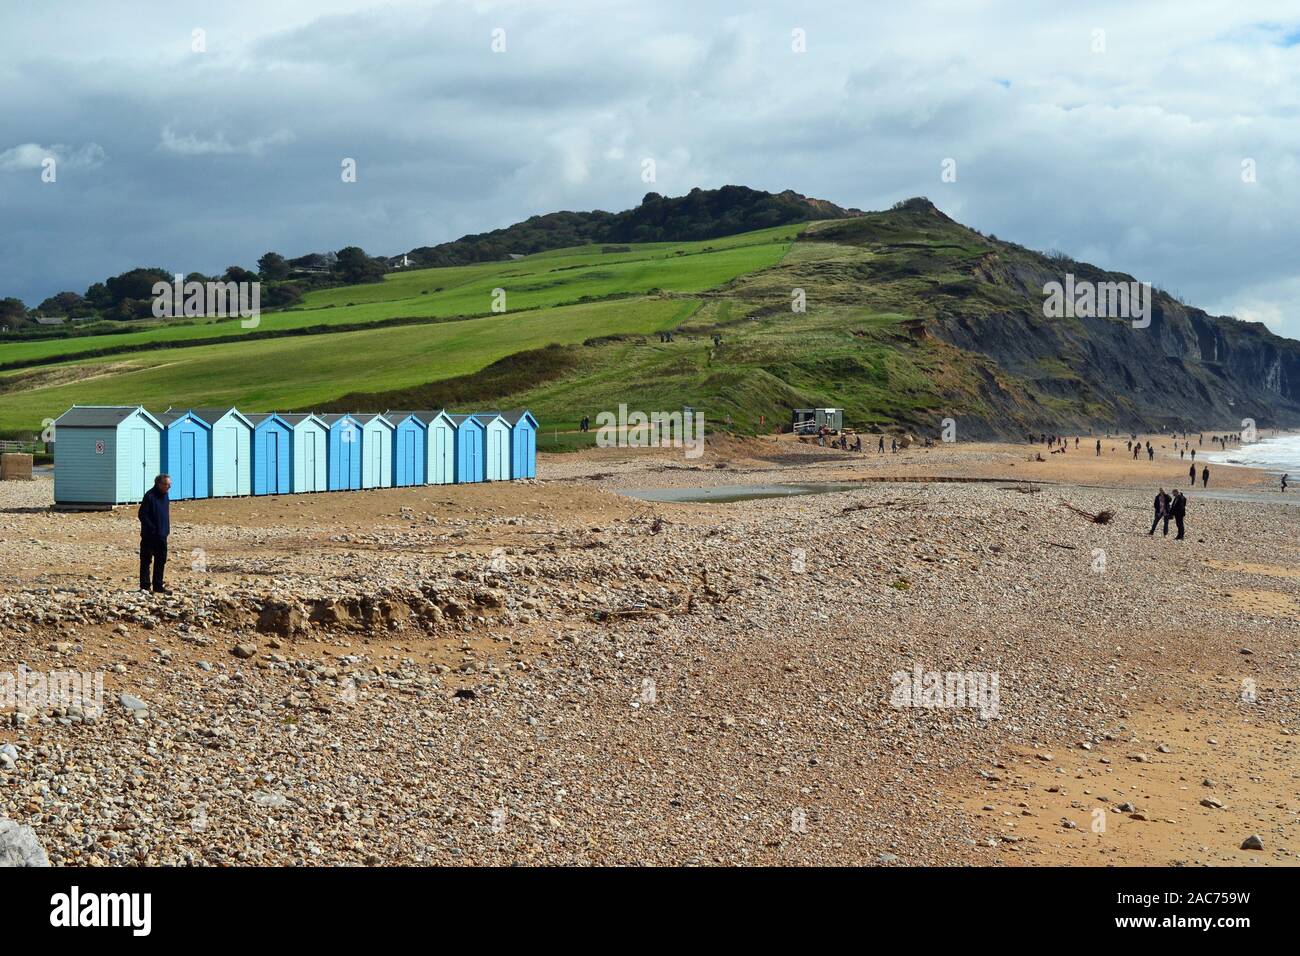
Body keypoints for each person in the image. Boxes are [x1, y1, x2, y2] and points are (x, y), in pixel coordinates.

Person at [138, 474, 172, 594]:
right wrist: (152, 528)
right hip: (149, 535)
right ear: (159, 484)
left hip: (162, 535)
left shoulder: (165, 495)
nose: (169, 487)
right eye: (167, 484)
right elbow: (142, 514)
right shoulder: (149, 496)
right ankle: (145, 586)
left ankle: (158, 586)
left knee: (161, 561)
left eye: (169, 484)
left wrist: (166, 530)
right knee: (146, 560)